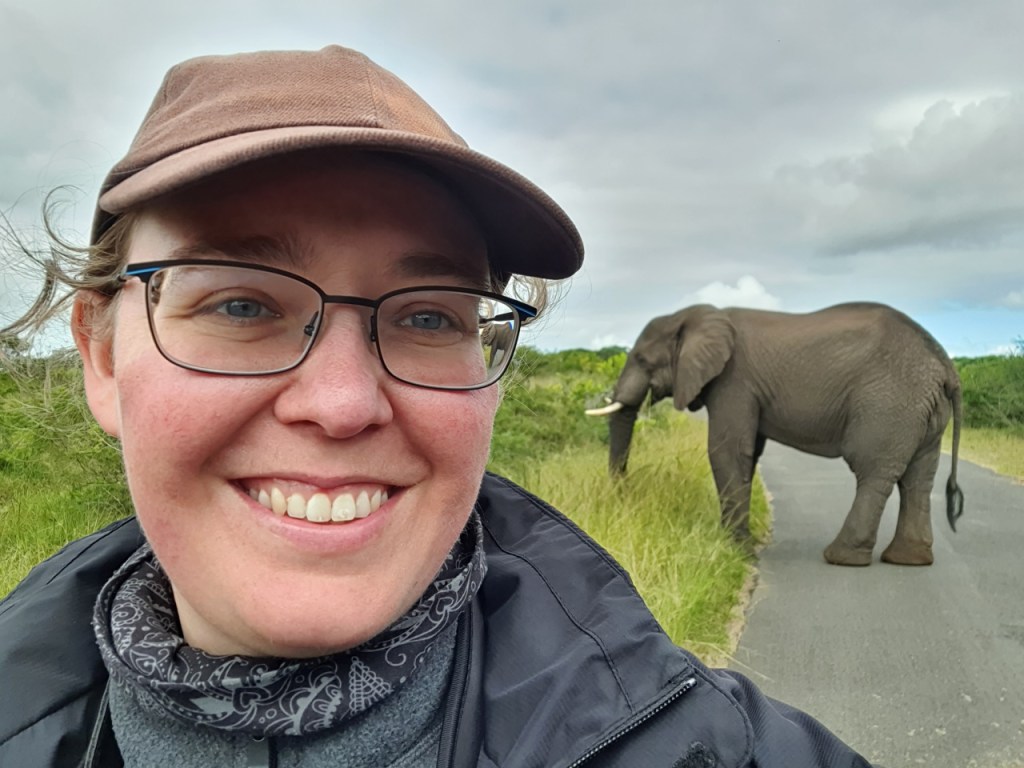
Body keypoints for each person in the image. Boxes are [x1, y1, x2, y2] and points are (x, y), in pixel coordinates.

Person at [0, 45, 876, 767]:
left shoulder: (711, 748)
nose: (343, 405)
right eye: (240, 305)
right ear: (102, 356)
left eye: (429, 317)